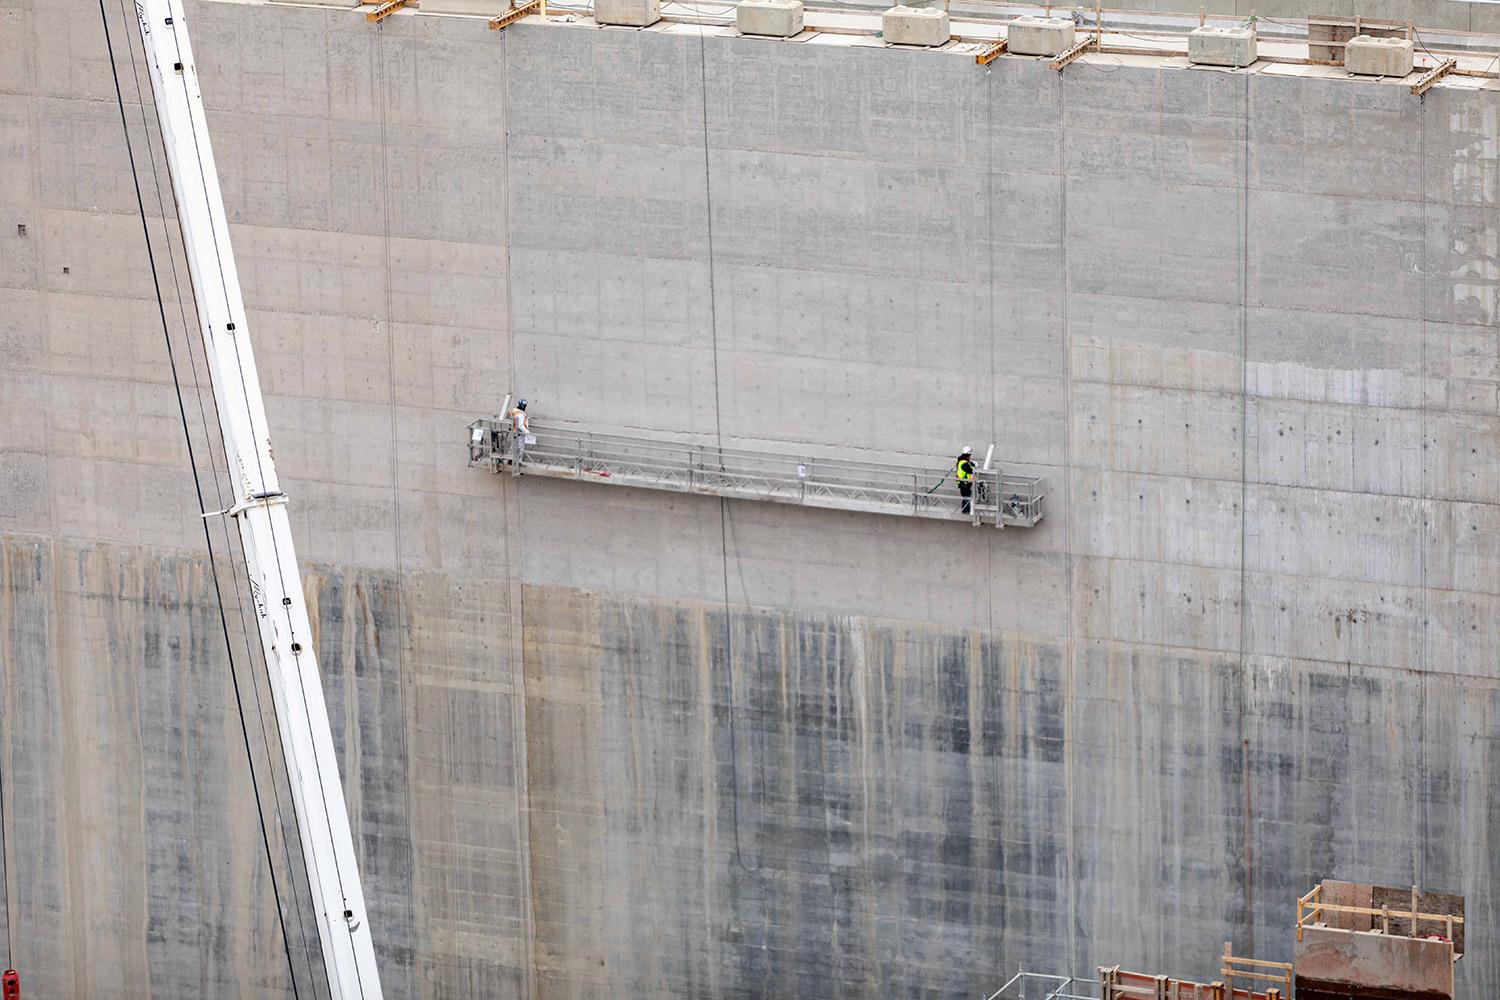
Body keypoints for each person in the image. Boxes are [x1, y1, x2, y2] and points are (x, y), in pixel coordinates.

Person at [509, 399, 530, 466]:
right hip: (519, 433)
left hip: (514, 432)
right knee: (520, 448)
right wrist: (527, 432)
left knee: (513, 447)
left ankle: (510, 460)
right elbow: (520, 425)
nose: (525, 407)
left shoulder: (514, 411)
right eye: (524, 405)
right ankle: (518, 463)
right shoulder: (521, 414)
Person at [955, 446, 975, 514]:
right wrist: (974, 465)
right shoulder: (964, 463)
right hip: (964, 483)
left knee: (965, 497)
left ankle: (965, 509)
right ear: (967, 455)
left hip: (963, 483)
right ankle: (966, 510)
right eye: (970, 455)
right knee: (967, 496)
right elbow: (971, 470)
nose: (970, 456)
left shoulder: (961, 462)